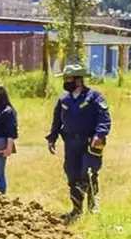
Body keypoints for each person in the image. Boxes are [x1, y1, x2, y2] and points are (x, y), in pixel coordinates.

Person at [45, 63, 112, 224]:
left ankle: (93, 208)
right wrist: (52, 138)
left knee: (88, 173)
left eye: (68, 79)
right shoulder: (64, 99)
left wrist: (100, 134)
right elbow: (57, 121)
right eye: (65, 78)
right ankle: (76, 210)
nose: (66, 81)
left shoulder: (94, 97)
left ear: (79, 79)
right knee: (73, 175)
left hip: (91, 142)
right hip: (71, 143)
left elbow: (104, 118)